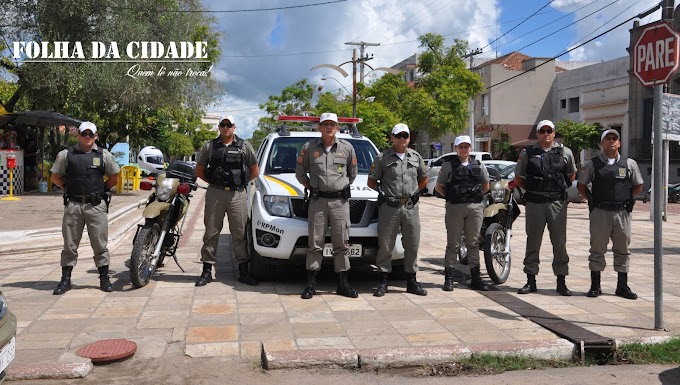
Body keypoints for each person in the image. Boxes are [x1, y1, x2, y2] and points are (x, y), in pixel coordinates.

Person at [50, 122, 120, 295]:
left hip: (96, 206)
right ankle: (65, 280)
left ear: (96, 136)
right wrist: (67, 188)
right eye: (84, 134)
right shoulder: (66, 155)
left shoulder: (104, 155)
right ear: (78, 135)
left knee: (99, 244)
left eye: (91, 134)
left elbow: (114, 177)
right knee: (69, 244)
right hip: (73, 205)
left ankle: (104, 278)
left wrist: (101, 189)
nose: (87, 137)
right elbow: (55, 177)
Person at [295, 112, 358, 299]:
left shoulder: (347, 148)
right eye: (325, 124)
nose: (329, 127)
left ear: (337, 127)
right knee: (315, 244)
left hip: (340, 202)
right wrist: (312, 187)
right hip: (318, 202)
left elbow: (352, 174)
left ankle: (343, 284)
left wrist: (339, 187)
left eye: (332, 124)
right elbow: (300, 173)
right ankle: (311, 284)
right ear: (319, 127)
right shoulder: (309, 148)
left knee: (341, 243)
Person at [577, 129, 643, 300]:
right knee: (597, 248)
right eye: (608, 139)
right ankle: (595, 285)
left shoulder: (629, 164)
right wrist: (591, 201)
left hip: (622, 212)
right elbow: (581, 186)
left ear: (619, 143)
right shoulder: (593, 164)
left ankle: (622, 286)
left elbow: (637, 186)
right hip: (600, 212)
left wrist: (628, 198)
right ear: (602, 143)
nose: (611, 141)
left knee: (623, 249)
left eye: (615, 138)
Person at [195, 115, 260, 287]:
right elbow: (199, 170)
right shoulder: (209, 146)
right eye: (223, 125)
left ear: (234, 127)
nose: (226, 128)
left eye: (228, 125)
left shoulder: (244, 146)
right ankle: (207, 270)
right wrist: (214, 182)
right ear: (219, 127)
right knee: (211, 232)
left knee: (239, 233)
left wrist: (240, 182)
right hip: (215, 193)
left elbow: (254, 170)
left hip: (237, 195)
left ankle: (243, 271)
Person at [514, 119, 577, 296]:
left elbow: (571, 175)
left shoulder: (565, 152)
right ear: (537, 134)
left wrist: (556, 188)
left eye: (549, 131)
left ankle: (561, 281)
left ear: (554, 133)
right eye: (542, 131)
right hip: (535, 203)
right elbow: (519, 178)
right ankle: (530, 280)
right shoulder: (528, 153)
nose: (546, 134)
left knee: (559, 242)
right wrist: (535, 189)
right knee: (533, 241)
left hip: (557, 203)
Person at [368, 123, 428, 297]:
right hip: (390, 207)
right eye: (398, 135)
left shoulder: (416, 157)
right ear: (392, 138)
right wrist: (383, 193)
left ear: (409, 138)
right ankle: (383, 281)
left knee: (412, 244)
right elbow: (371, 181)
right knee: (386, 245)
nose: (402, 139)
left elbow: (423, 179)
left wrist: (416, 193)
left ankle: (411, 281)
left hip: (410, 207)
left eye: (405, 135)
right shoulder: (382, 158)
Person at [435, 135, 490, 292]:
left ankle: (476, 278)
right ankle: (449, 278)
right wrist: (452, 196)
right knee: (453, 243)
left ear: (471, 148)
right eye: (461, 147)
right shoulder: (448, 166)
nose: (464, 149)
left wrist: (475, 199)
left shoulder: (479, 165)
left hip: (474, 207)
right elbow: (439, 187)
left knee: (473, 243)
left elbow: (486, 186)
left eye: (466, 146)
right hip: (455, 208)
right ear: (456, 148)